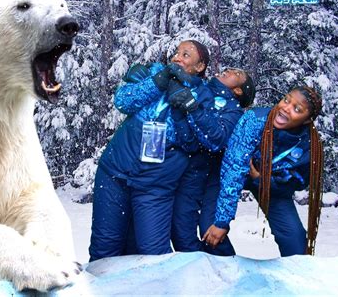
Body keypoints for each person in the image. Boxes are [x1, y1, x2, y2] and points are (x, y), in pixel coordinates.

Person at [89, 39, 211, 261]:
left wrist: (183, 107)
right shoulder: (153, 72)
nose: (177, 57)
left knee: (152, 253)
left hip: (155, 185)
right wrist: (158, 82)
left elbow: (199, 142)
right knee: (104, 247)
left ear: (200, 66)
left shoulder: (203, 95)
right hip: (114, 172)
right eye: (176, 52)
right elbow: (123, 101)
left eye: (186, 55)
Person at [203, 86, 324, 256]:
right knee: (211, 227)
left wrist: (263, 179)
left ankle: (293, 279)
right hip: (234, 174)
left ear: (306, 120)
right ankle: (230, 271)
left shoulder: (309, 145)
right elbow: (234, 168)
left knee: (295, 240)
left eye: (297, 109)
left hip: (269, 185)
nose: (286, 108)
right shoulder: (256, 118)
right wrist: (222, 221)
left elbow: (296, 182)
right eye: (286, 100)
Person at [171, 68, 256, 256]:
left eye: (238, 73)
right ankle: (197, 274)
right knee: (181, 231)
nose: (230, 70)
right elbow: (187, 135)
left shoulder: (234, 112)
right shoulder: (200, 89)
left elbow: (216, 139)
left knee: (211, 232)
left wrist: (192, 107)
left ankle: (230, 270)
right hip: (190, 170)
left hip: (215, 175)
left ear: (239, 90)